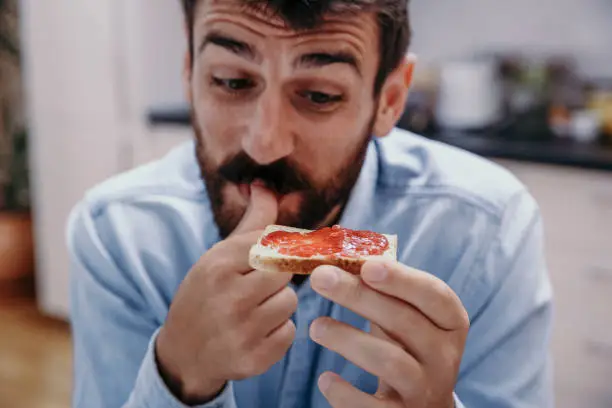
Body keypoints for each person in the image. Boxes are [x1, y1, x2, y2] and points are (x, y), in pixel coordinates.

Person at [67, 0, 554, 407]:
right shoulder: (117, 235)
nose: (264, 144)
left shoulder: (488, 232)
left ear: (390, 99)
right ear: (189, 70)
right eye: (231, 82)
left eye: (319, 96)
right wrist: (177, 377)